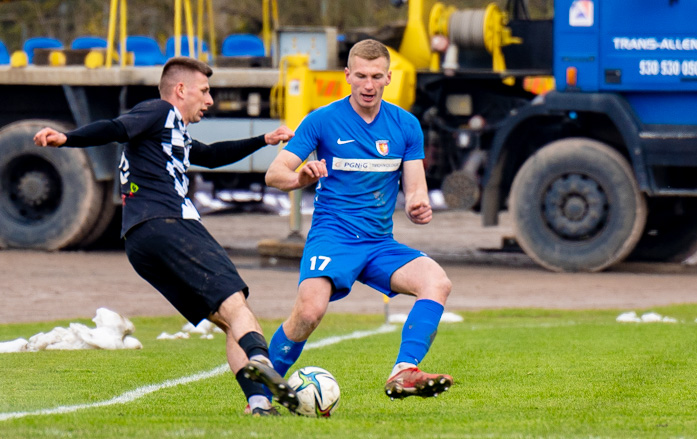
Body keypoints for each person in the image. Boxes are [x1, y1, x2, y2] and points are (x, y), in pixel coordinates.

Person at [34, 56, 298, 416]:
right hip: (171, 223)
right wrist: (68, 138)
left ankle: (259, 404)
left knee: (229, 319)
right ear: (180, 90)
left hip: (140, 242)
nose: (209, 100)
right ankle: (263, 361)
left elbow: (211, 155)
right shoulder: (158, 111)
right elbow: (115, 127)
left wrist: (263, 139)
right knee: (237, 304)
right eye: (204, 92)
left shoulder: (170, 130)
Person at [265, 39, 453, 399]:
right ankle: (263, 388)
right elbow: (275, 173)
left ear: (388, 78)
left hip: (380, 243)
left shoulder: (406, 126)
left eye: (377, 76)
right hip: (333, 237)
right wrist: (300, 178)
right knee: (308, 313)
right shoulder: (322, 120)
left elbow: (415, 188)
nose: (369, 84)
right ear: (347, 76)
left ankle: (404, 370)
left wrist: (418, 205)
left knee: (437, 281)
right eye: (362, 76)